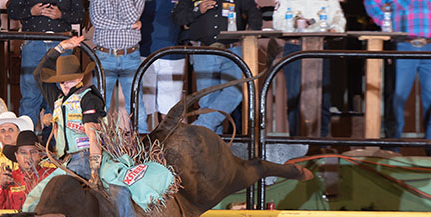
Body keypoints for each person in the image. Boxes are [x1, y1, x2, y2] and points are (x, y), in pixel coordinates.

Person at [34, 35, 146, 217]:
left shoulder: (89, 98)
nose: (65, 84)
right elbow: (39, 73)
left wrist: (95, 170)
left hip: (91, 156)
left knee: (118, 190)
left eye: (70, 79)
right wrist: (61, 47)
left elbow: (93, 135)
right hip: (66, 162)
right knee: (35, 197)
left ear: (80, 78)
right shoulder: (57, 99)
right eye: (62, 81)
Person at [173, 0, 262, 134]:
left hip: (233, 50)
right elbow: (178, 17)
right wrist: (198, 10)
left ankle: (201, 126)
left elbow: (254, 11)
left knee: (237, 90)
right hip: (203, 51)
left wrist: (251, 34)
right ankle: (213, 145)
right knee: (207, 100)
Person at [364, 0, 431, 152]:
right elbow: (371, 2)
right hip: (403, 44)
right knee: (396, 98)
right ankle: (392, 149)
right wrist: (386, 21)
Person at [273, 0, 346, 137]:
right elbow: (278, 21)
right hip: (295, 45)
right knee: (295, 95)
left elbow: (338, 17)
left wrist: (335, 28)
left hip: (320, 45)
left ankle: (321, 140)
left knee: (323, 94)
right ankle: (296, 140)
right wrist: (295, 22)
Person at [7, 0, 84, 128]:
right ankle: (27, 139)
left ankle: (55, 141)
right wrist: (31, 11)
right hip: (33, 42)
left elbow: (80, 15)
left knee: (61, 94)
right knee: (30, 95)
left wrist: (60, 15)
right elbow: (12, 12)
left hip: (62, 42)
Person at [89, 0, 146, 131]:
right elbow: (97, 21)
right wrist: (128, 26)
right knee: (100, 103)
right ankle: (97, 145)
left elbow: (133, 17)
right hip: (104, 56)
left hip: (131, 56)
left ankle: (143, 146)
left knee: (136, 103)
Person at [139, 0, 184, 132]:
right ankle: (144, 149)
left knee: (169, 111)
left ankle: (169, 149)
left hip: (173, 55)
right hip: (143, 53)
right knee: (144, 110)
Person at [0, 111, 34, 183]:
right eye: (3, 131)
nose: (7, 134)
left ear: (19, 134)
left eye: (11, 130)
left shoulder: (29, 157)